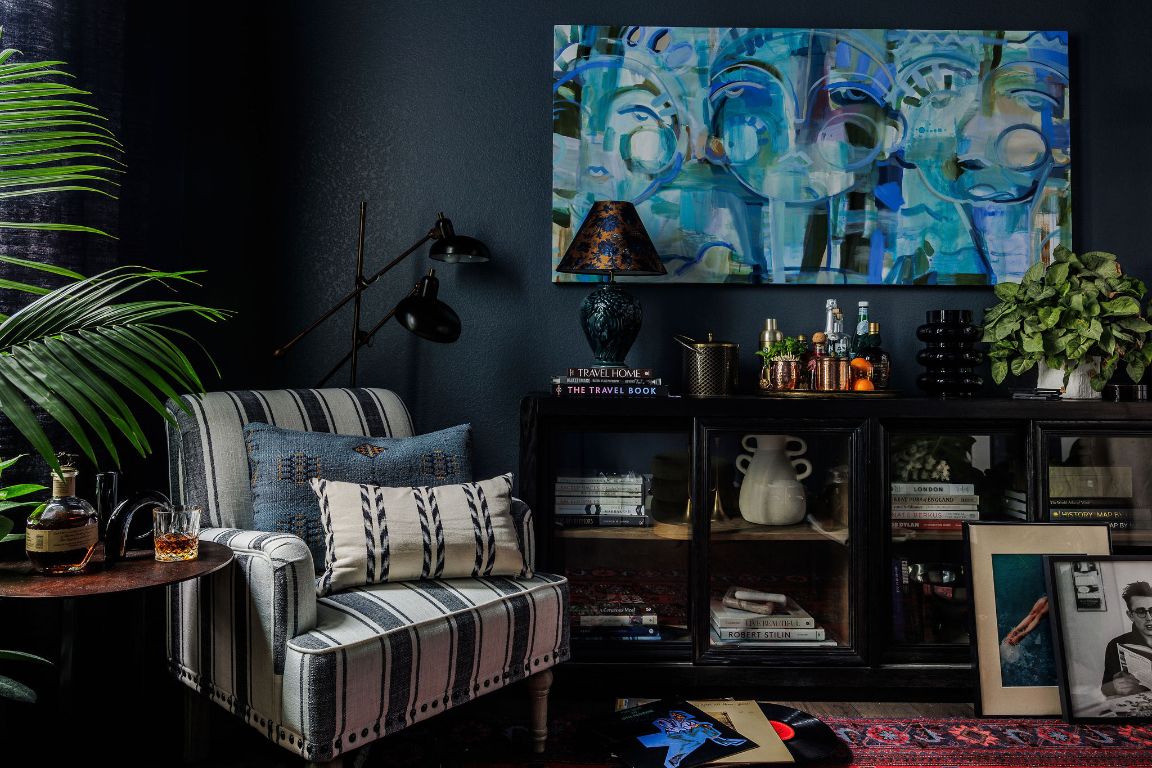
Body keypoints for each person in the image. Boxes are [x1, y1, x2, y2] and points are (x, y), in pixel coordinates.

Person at [638, 708, 748, 768]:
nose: (678, 717)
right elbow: (664, 724)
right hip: (674, 735)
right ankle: (722, 740)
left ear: (684, 716)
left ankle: (677, 757)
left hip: (686, 736)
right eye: (676, 715)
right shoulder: (668, 721)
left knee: (700, 737)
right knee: (699, 733)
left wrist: (697, 725)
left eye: (680, 716)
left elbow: (694, 726)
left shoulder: (690, 722)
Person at [1101, 581, 1152, 698]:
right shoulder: (1116, 645)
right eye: (1141, 612)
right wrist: (1114, 686)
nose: (1149, 618)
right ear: (1130, 615)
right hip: (1139, 708)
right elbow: (1104, 689)